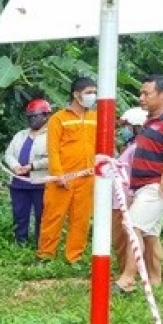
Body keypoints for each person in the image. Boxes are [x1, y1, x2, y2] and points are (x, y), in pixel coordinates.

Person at [114, 75, 163, 293]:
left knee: (132, 226)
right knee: (150, 234)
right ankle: (155, 279)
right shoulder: (150, 120)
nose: (141, 97)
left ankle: (127, 279)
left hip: (157, 186)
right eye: (141, 93)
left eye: (147, 93)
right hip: (145, 186)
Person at [37, 76, 98, 265]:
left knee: (81, 219)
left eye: (94, 93)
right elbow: (52, 149)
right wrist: (58, 174)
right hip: (61, 178)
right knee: (52, 217)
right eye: (89, 92)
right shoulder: (58, 119)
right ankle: (45, 255)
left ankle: (74, 257)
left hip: (87, 177)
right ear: (76, 94)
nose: (92, 96)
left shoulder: (95, 118)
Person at [4, 98, 52, 246]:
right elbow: (9, 154)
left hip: (40, 183)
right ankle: (20, 243)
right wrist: (15, 166)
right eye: (29, 117)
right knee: (19, 215)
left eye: (35, 116)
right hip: (19, 183)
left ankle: (41, 245)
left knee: (41, 216)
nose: (32, 119)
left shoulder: (52, 135)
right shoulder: (21, 135)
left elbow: (54, 157)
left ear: (45, 116)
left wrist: (33, 166)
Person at [111, 107, 146, 275]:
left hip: (125, 199)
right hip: (120, 198)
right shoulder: (130, 147)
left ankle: (128, 272)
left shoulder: (137, 148)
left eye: (127, 126)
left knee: (123, 238)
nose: (123, 129)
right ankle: (125, 270)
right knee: (120, 239)